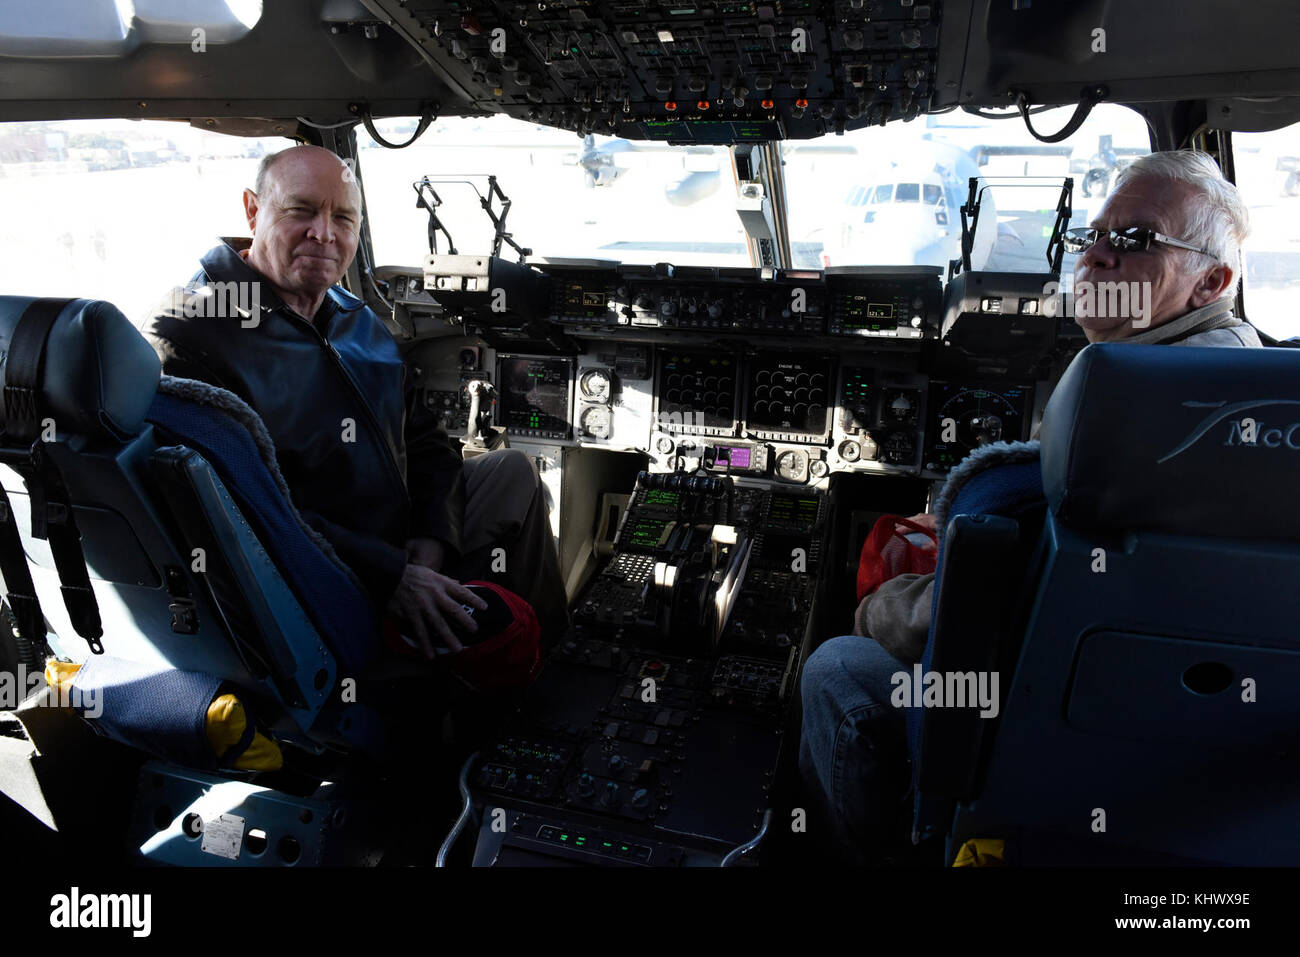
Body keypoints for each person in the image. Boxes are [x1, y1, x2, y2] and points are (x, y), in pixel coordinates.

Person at [800, 148, 1261, 863]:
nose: (1098, 256)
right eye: (1093, 236)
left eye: (1135, 240)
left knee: (836, 665)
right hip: (1185, 749)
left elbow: (986, 601)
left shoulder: (1133, 409)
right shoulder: (1248, 397)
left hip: (1027, 723)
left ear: (1213, 280)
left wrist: (879, 607)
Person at [143, 145, 568, 666]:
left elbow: (426, 440)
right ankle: (453, 677)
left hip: (401, 537)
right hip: (326, 571)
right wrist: (390, 572)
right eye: (301, 210)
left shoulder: (354, 317)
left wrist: (435, 533)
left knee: (513, 472)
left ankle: (539, 660)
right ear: (253, 210)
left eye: (343, 217)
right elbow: (242, 511)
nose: (324, 233)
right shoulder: (193, 332)